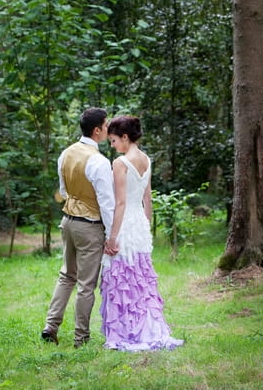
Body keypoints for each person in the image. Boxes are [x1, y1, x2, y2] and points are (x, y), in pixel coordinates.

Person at [100, 115, 184, 351]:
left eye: (114, 140)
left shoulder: (120, 163)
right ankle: (146, 327)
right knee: (140, 280)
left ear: (125, 137)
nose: (113, 145)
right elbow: (147, 198)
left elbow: (120, 203)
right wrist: (145, 227)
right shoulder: (146, 160)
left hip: (125, 224)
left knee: (121, 280)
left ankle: (125, 332)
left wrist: (112, 237)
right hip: (139, 225)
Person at [42, 107, 115, 348]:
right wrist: (113, 234)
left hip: (67, 222)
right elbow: (107, 204)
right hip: (89, 226)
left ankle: (50, 326)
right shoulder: (99, 162)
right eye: (106, 126)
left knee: (66, 276)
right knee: (86, 285)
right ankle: (81, 338)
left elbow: (63, 192)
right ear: (97, 131)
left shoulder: (66, 154)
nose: (108, 129)